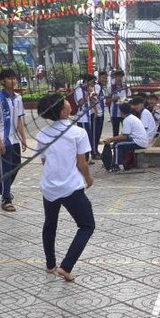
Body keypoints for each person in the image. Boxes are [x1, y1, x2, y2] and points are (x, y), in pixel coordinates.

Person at [35, 93, 95, 282]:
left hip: (49, 187)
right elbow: (82, 163)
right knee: (87, 225)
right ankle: (66, 267)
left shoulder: (42, 133)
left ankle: (50, 264)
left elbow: (44, 161)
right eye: (66, 102)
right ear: (63, 111)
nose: (69, 103)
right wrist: (88, 178)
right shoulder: (78, 132)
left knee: (49, 224)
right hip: (71, 188)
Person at [0, 68, 27, 212]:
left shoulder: (18, 98)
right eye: (9, 79)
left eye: (14, 78)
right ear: (2, 81)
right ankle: (6, 199)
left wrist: (23, 138)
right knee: (5, 170)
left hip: (14, 140)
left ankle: (1, 187)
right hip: (4, 140)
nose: (12, 81)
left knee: (16, 166)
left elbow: (19, 119)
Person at [102, 102, 148, 171]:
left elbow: (124, 137)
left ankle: (117, 165)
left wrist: (111, 139)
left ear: (122, 112)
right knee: (117, 143)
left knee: (117, 145)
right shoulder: (131, 118)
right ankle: (116, 162)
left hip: (139, 142)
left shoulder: (127, 120)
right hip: (138, 140)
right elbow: (124, 135)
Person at [91, 71, 108, 159]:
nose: (104, 79)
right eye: (103, 78)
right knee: (95, 134)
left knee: (98, 133)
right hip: (97, 114)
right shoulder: (97, 86)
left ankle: (96, 150)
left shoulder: (101, 87)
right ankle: (94, 152)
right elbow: (93, 97)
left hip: (101, 113)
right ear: (99, 78)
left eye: (106, 78)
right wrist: (96, 111)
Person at [109, 70, 131, 137]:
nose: (120, 78)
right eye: (118, 76)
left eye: (121, 76)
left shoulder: (125, 87)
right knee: (115, 131)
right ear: (115, 77)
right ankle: (116, 145)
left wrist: (125, 101)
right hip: (114, 113)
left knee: (126, 130)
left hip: (124, 112)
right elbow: (106, 100)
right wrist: (114, 99)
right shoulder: (111, 87)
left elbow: (129, 97)